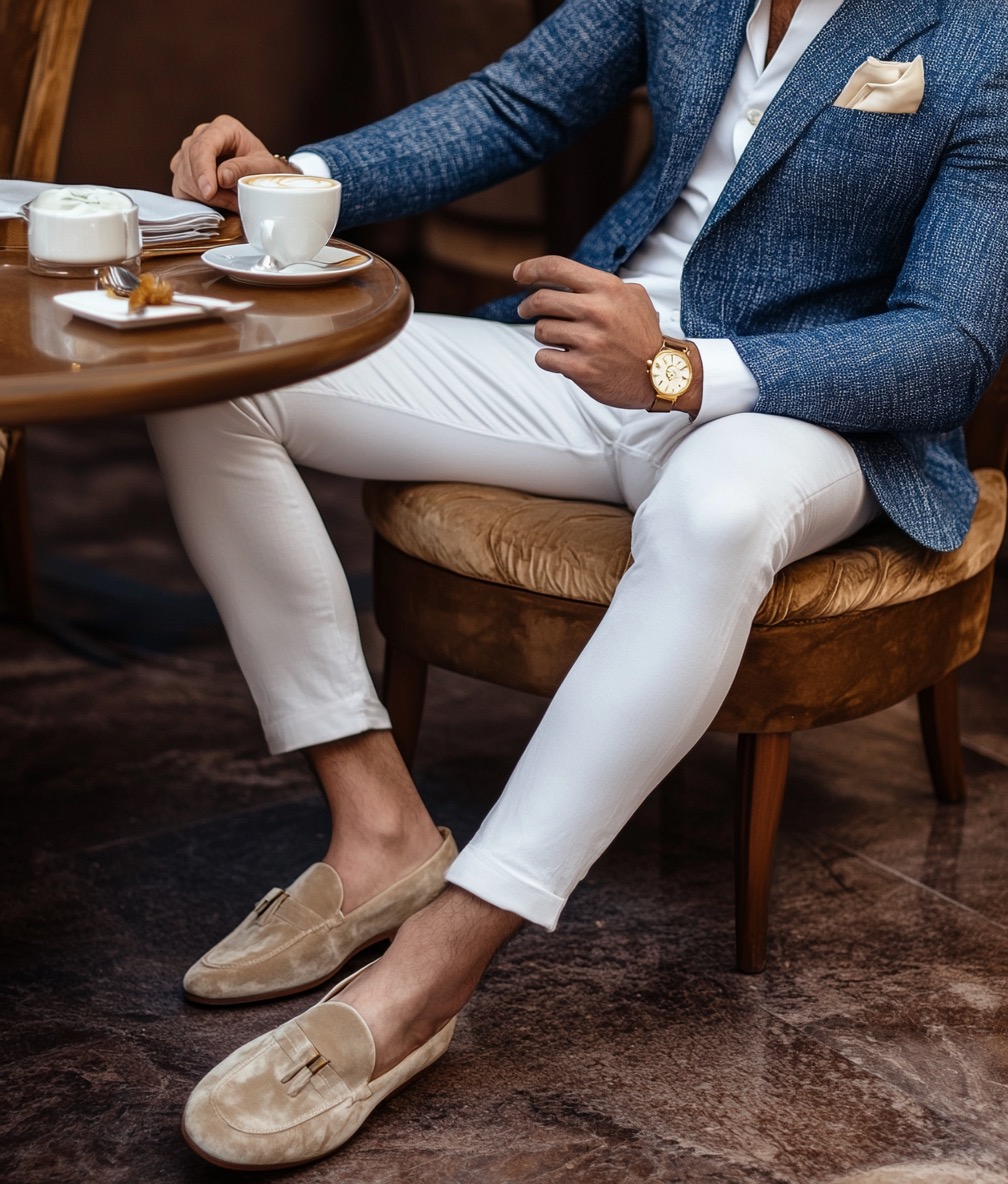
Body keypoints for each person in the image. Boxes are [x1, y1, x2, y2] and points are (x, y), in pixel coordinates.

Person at [156, 0, 1008, 1170]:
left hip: (801, 408)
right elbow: (517, 102)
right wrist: (295, 180)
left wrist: (681, 369)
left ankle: (436, 963)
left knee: (714, 513)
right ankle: (378, 826)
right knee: (211, 365)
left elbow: (950, 343)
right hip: (592, 355)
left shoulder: (984, 31)